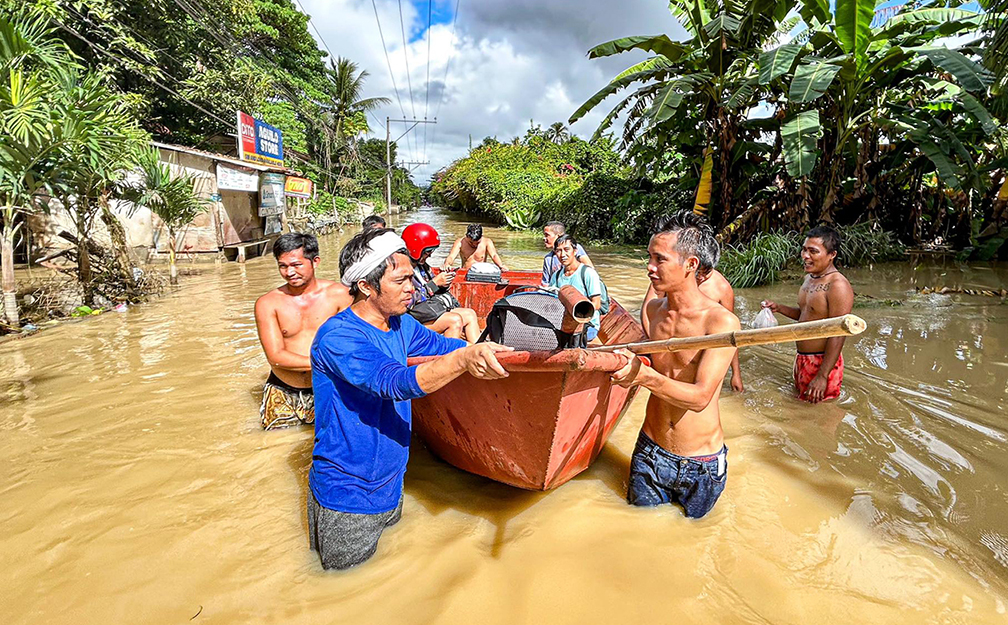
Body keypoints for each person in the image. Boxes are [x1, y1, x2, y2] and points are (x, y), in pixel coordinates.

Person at [308, 227, 513, 570]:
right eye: (401, 280)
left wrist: (491, 352)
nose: (413, 287)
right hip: (347, 494)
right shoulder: (338, 336)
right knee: (342, 591)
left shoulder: (400, 324)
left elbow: (445, 347)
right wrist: (463, 361)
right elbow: (392, 381)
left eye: (411, 278)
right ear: (366, 286)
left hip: (391, 482)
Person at [611, 211, 740, 519]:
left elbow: (699, 398)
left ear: (691, 265)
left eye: (659, 260)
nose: (649, 268)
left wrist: (644, 376)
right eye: (649, 258)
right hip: (650, 450)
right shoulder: (655, 311)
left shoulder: (719, 321)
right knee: (639, 536)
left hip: (701, 465)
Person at [254, 233, 352, 430]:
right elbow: (275, 356)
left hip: (328, 388)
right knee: (273, 449)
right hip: (283, 392)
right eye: (283, 266)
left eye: (296, 265)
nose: (289, 272)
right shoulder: (267, 303)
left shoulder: (340, 295)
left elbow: (354, 341)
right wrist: (327, 362)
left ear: (315, 261)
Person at [641, 233, 744, 392]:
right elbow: (648, 309)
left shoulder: (722, 296)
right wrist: (650, 348)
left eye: (705, 273)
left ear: (693, 265)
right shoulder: (659, 297)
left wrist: (736, 373)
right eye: (651, 258)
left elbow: (731, 339)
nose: (700, 277)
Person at [761, 225, 853, 403]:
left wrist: (822, 376)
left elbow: (838, 334)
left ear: (831, 255)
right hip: (802, 359)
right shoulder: (809, 279)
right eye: (804, 250)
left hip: (822, 363)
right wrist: (779, 308)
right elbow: (807, 316)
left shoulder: (838, 285)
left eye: (813, 251)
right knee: (802, 413)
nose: (805, 256)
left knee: (823, 416)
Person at [401, 222, 481, 343]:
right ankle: (449, 359)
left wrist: (444, 283)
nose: (430, 255)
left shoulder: (423, 267)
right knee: (454, 320)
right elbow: (406, 302)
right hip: (412, 320)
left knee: (469, 314)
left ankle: (478, 350)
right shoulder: (401, 271)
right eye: (427, 251)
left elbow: (433, 288)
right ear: (416, 249)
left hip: (428, 312)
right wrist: (433, 284)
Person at [547, 233, 605, 344]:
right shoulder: (556, 276)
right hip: (562, 322)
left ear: (575, 251)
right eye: (558, 251)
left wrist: (579, 311)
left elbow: (597, 304)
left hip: (587, 325)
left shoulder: (588, 273)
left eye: (566, 249)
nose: (562, 254)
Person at [541, 221, 593, 286]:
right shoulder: (548, 258)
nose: (544, 238)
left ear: (558, 236)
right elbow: (545, 284)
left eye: (547, 235)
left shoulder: (574, 248)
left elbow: (590, 269)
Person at [441, 223, 509, 271]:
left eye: (477, 243)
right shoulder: (460, 242)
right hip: (465, 273)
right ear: (466, 236)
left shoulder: (487, 242)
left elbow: (494, 255)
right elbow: (451, 256)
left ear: (481, 236)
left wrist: (501, 265)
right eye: (471, 242)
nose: (474, 245)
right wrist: (447, 264)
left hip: (481, 274)